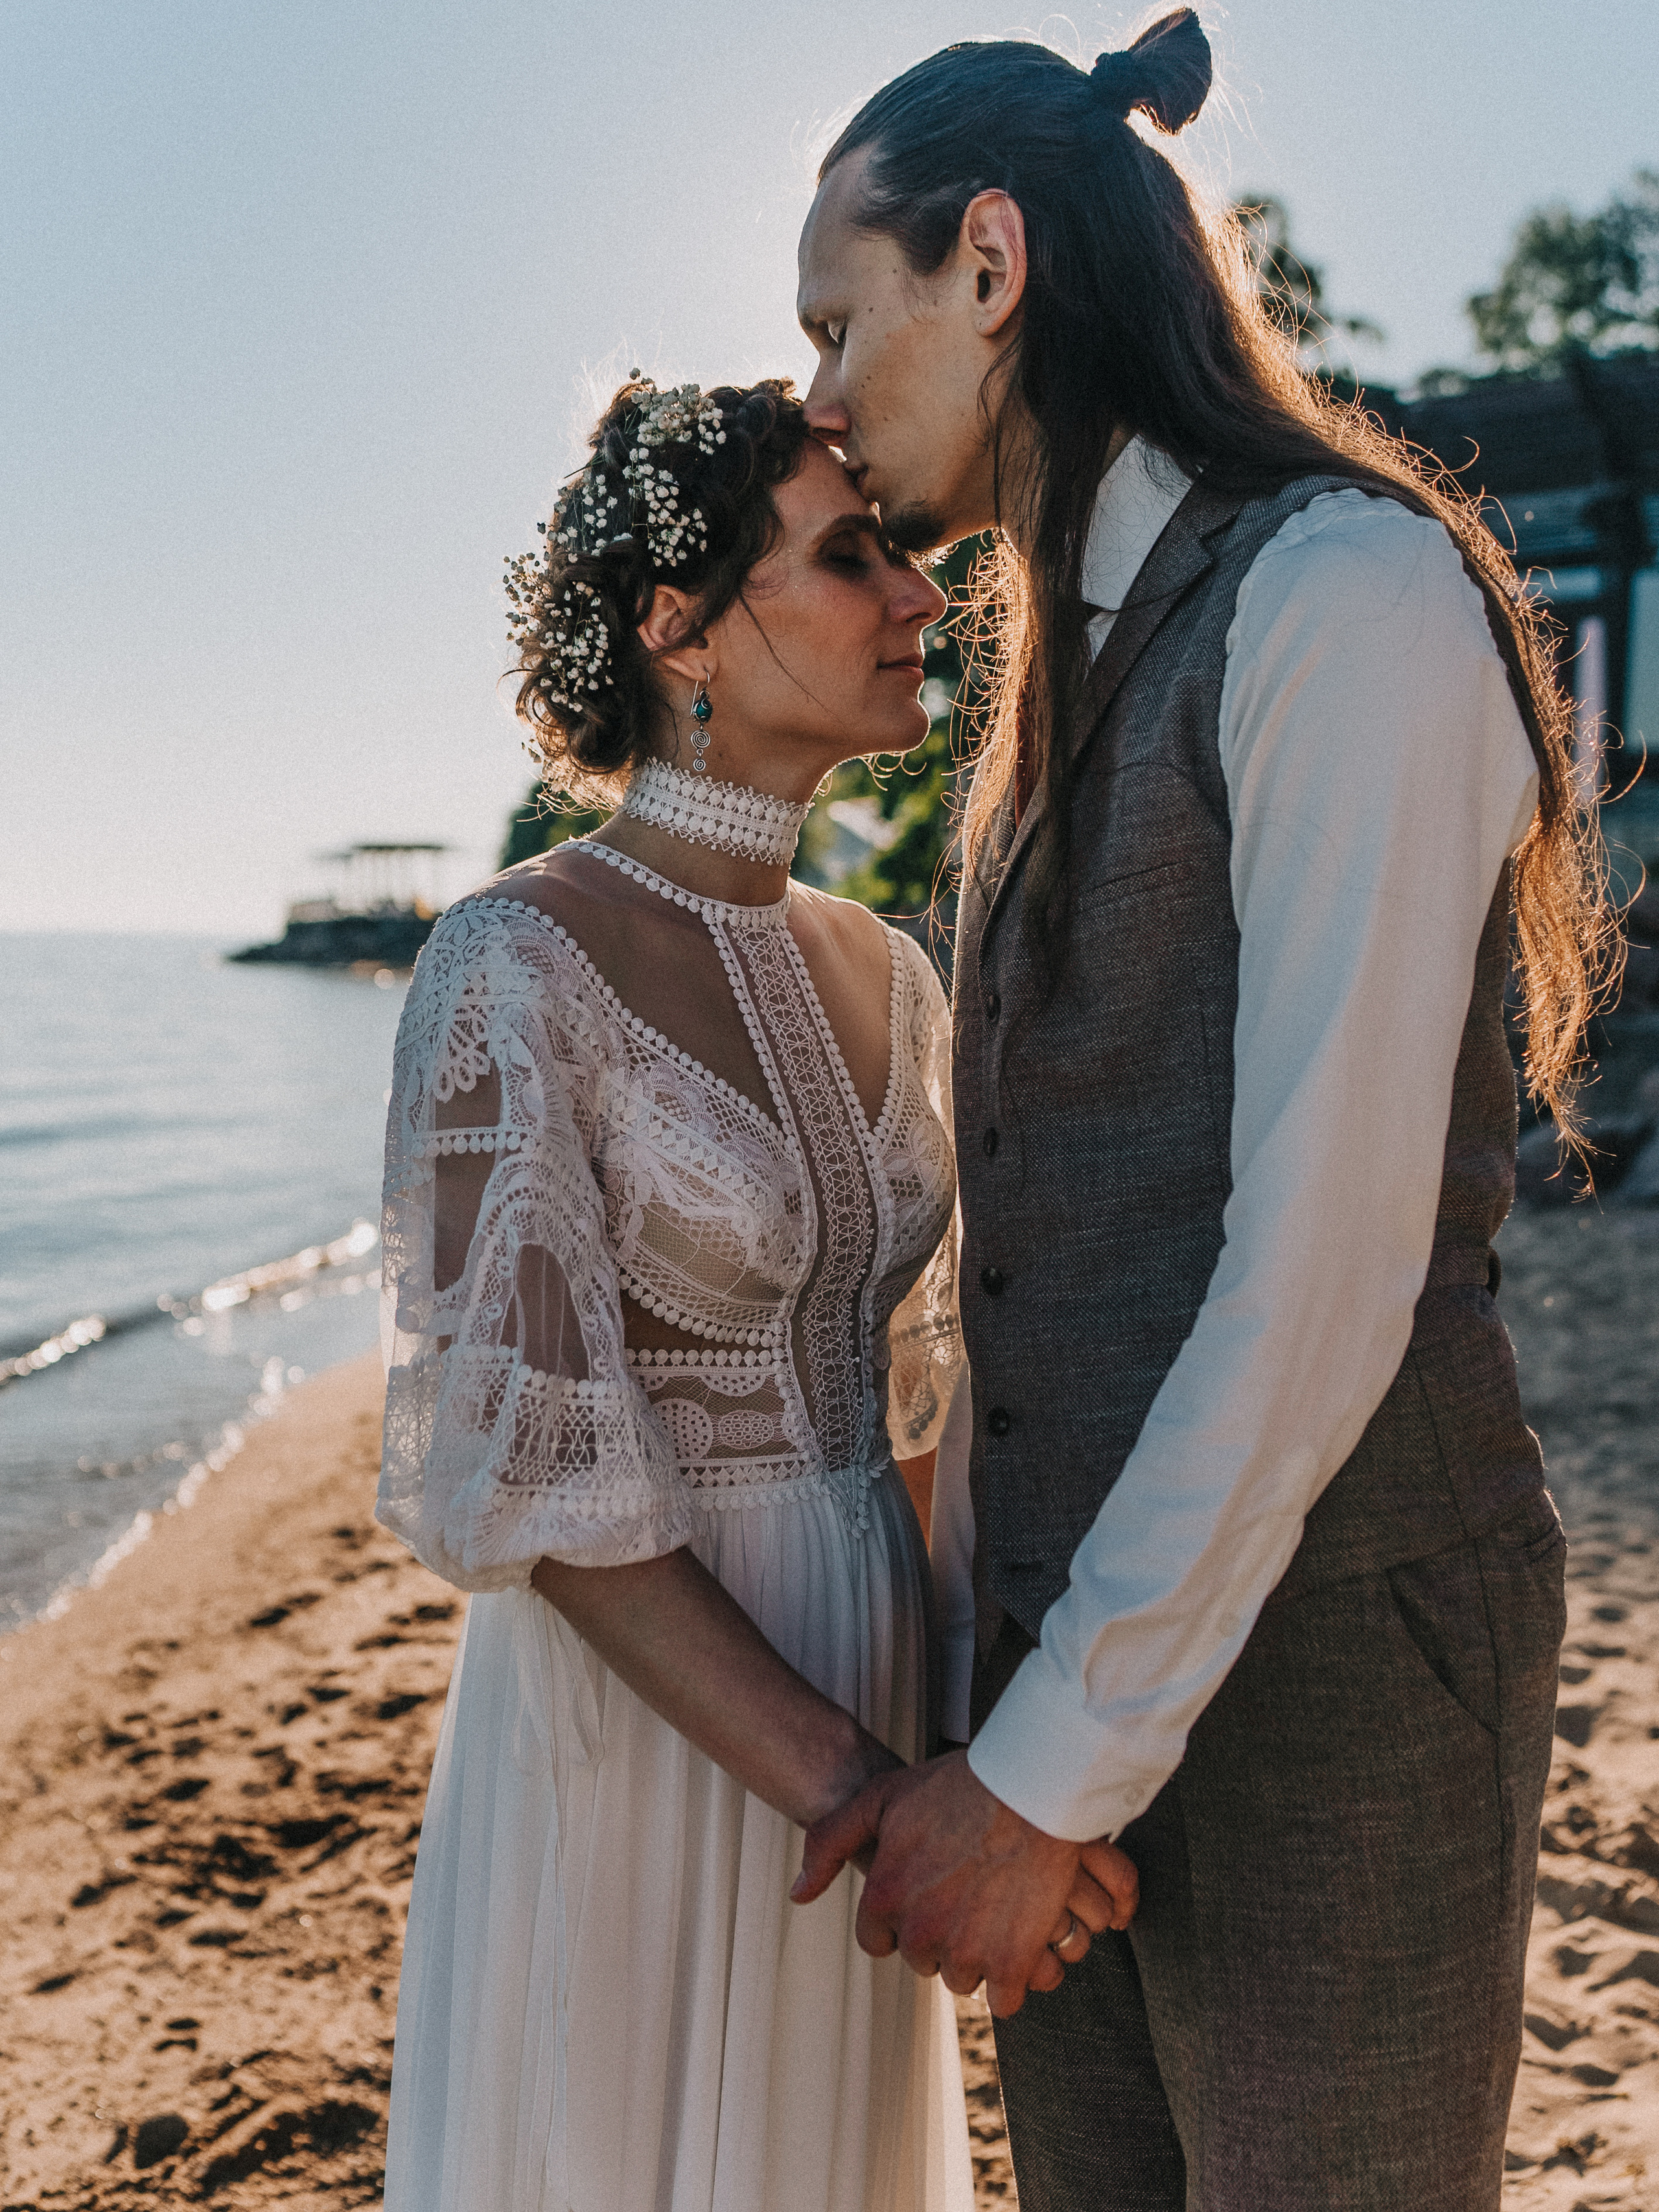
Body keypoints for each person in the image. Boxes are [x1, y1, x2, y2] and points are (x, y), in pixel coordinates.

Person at [789, 12, 1608, 2207]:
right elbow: (1035, 1253)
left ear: (990, 262)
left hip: (1341, 1667)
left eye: (835, 319)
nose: (817, 396)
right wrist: (988, 1704)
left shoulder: (1343, 596)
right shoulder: (1056, 677)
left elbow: (1324, 1269)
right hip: (1084, 1671)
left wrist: (1041, 1773)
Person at [374, 375, 1135, 2212]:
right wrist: (857, 1801)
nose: (920, 603)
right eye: (851, 557)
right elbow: (533, 1490)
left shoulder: (895, 972)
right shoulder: (512, 966)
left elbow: (935, 1400)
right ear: (677, 629)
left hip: (875, 1656)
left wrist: (985, 1772)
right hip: (655, 1712)